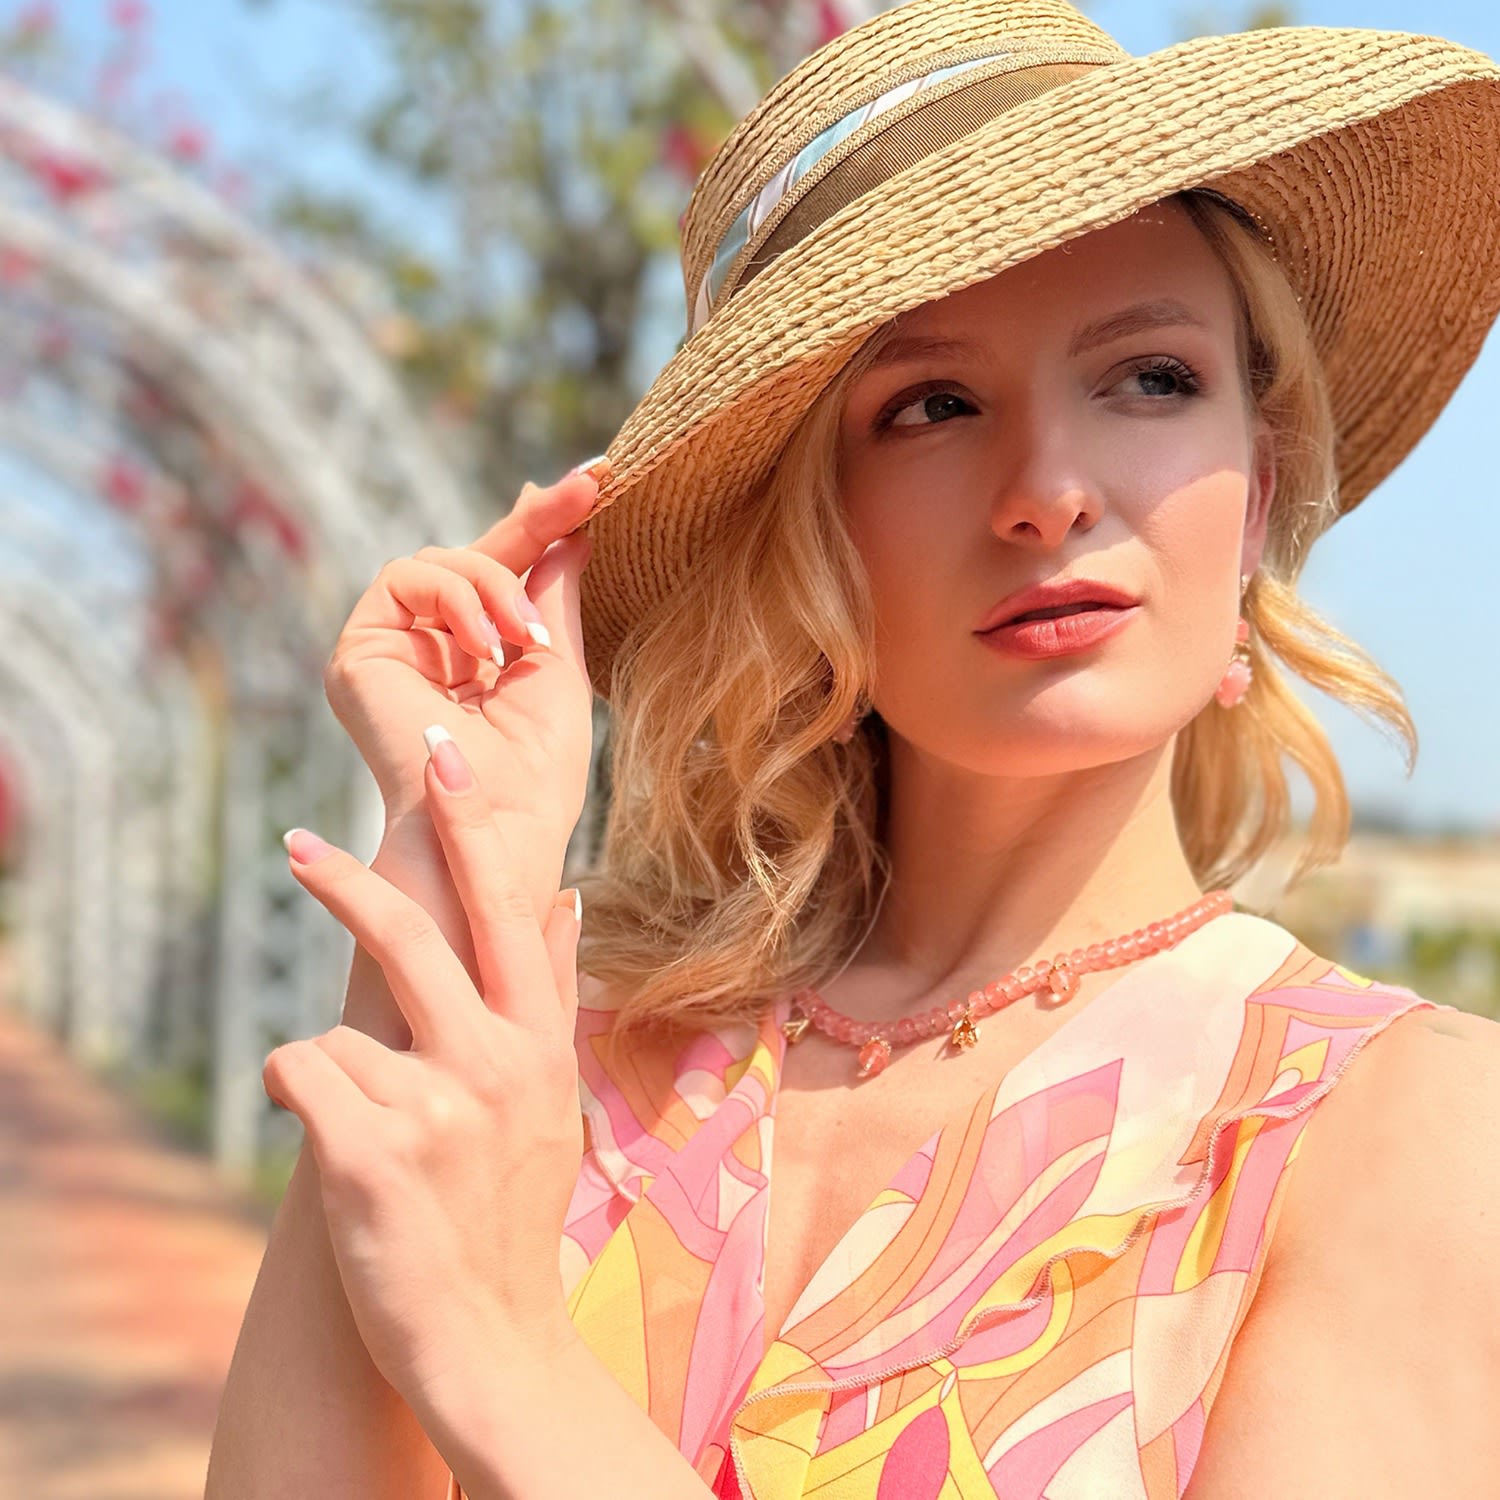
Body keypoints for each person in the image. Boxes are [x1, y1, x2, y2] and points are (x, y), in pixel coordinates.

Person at [207, 1, 1500, 1496]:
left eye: (1149, 377)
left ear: (1259, 492)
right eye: (932, 405)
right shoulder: (576, 1063)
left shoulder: (1400, 1135)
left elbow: (483, 1359)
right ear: (813, 537)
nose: (1048, 491)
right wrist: (453, 856)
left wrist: (501, 1350)